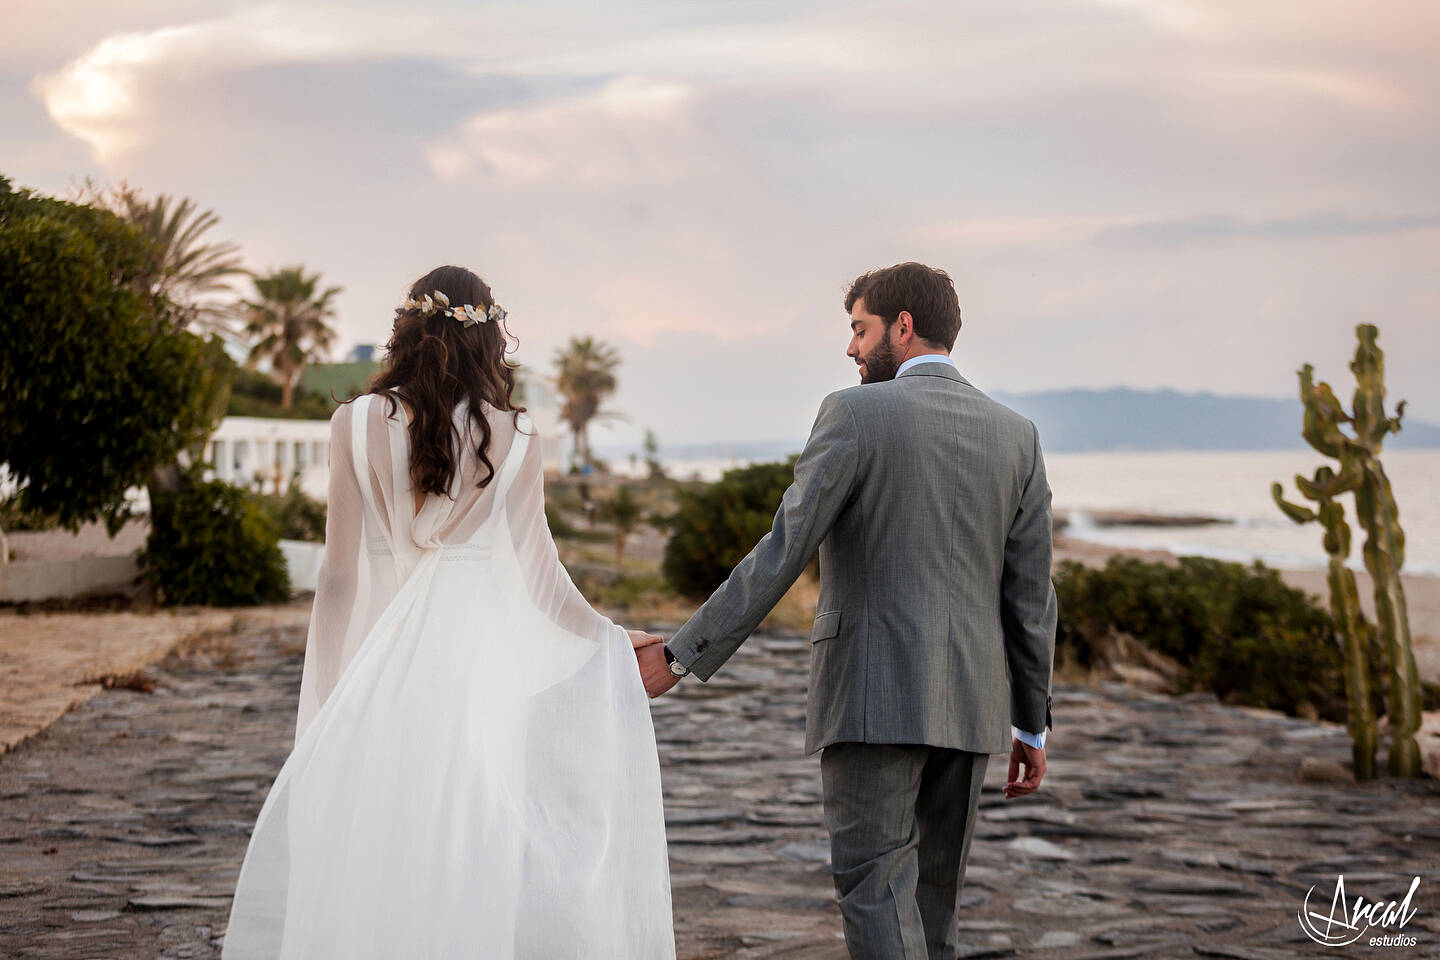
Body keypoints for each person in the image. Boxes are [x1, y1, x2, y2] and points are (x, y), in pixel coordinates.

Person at [222, 265, 675, 959]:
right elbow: (541, 576)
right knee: (472, 834)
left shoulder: (353, 423)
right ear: (490, 340)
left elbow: (338, 576)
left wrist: (325, 699)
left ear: (406, 331)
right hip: (474, 672)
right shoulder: (517, 435)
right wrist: (610, 639)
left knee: (382, 834)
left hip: (381, 663)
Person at [636, 261, 1057, 960]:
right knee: (932, 902)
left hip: (872, 695)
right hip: (973, 702)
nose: (851, 348)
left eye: (859, 330)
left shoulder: (853, 413)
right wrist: (1031, 722)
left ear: (903, 325)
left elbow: (783, 550)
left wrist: (683, 653)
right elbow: (1031, 593)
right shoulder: (1017, 434)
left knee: (873, 884)